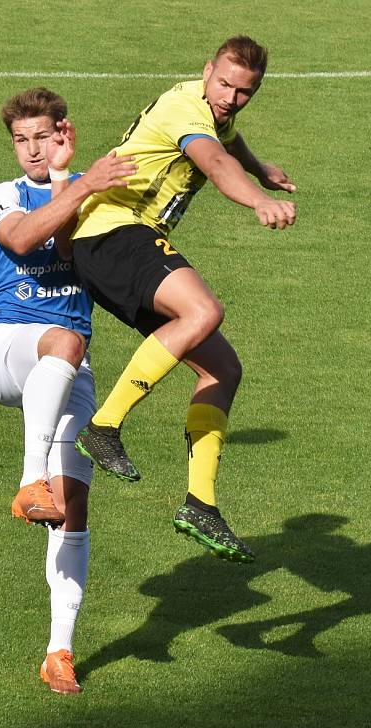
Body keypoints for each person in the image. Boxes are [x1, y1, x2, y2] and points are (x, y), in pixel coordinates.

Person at [70, 36, 296, 563]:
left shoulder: (214, 111)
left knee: (222, 369)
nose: (231, 99)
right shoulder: (185, 108)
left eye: (245, 92)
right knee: (204, 310)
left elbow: (230, 141)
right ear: (206, 71)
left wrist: (262, 168)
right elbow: (216, 162)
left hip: (120, 242)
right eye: (224, 85)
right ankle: (103, 426)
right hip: (111, 231)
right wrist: (257, 199)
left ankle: (201, 502)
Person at [0, 88, 136, 694]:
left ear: (62, 133)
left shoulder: (84, 191)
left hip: (69, 368)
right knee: (65, 341)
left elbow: (73, 247)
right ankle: (26, 479)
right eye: (22, 139)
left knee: (71, 506)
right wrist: (83, 183)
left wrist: (75, 179)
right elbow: (22, 240)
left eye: (42, 136)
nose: (32, 150)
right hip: (7, 348)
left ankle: (59, 652)